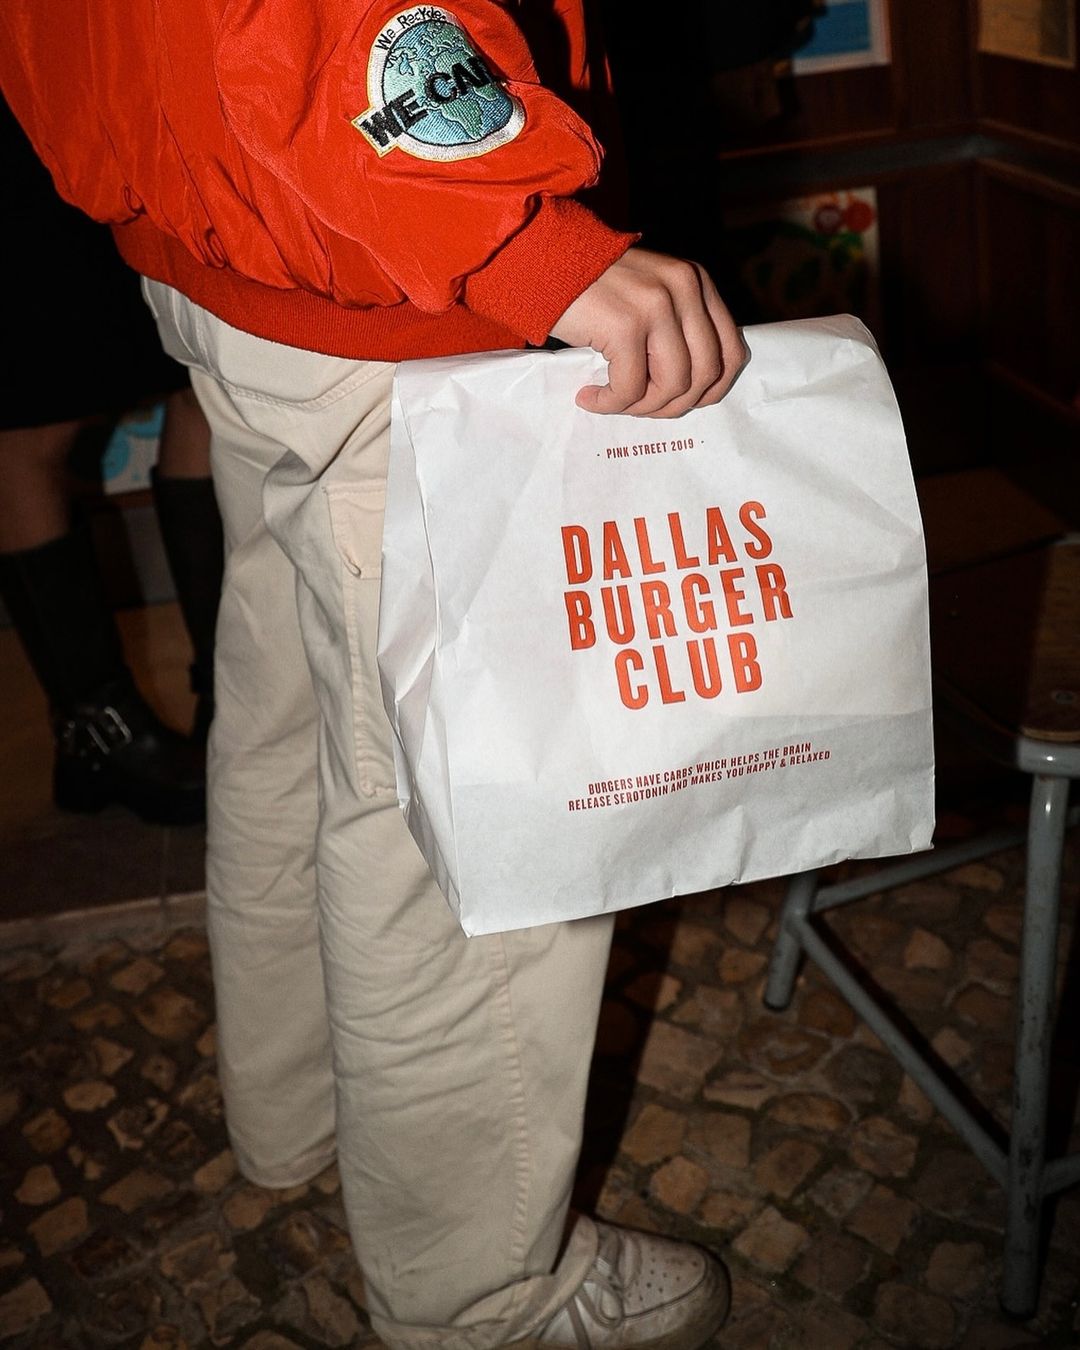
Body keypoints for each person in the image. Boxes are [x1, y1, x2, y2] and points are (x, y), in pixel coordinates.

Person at [1, 2, 744, 1346]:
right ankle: (482, 1299)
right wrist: (524, 237)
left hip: (236, 237)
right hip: (387, 255)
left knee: (289, 706)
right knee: (461, 820)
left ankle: (290, 1107)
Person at [0, 94, 219, 826]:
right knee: (33, 416)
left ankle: (234, 696)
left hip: (124, 84)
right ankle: (97, 733)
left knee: (203, 372)